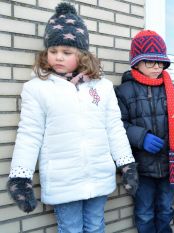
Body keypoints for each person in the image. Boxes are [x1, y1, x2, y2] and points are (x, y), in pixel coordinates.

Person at [6, 3, 138, 233]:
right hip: (63, 180)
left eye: (67, 52)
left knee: (96, 226)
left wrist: (126, 163)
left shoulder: (102, 87)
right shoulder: (37, 89)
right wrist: (20, 176)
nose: (58, 57)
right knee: (70, 229)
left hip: (98, 175)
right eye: (53, 51)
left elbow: (114, 128)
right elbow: (29, 134)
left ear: (82, 54)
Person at [115, 30, 174, 233]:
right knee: (144, 213)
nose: (156, 67)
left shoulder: (171, 89)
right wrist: (141, 137)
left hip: (170, 164)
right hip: (142, 167)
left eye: (160, 63)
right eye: (150, 62)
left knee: (165, 210)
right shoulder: (125, 91)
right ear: (136, 62)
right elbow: (117, 125)